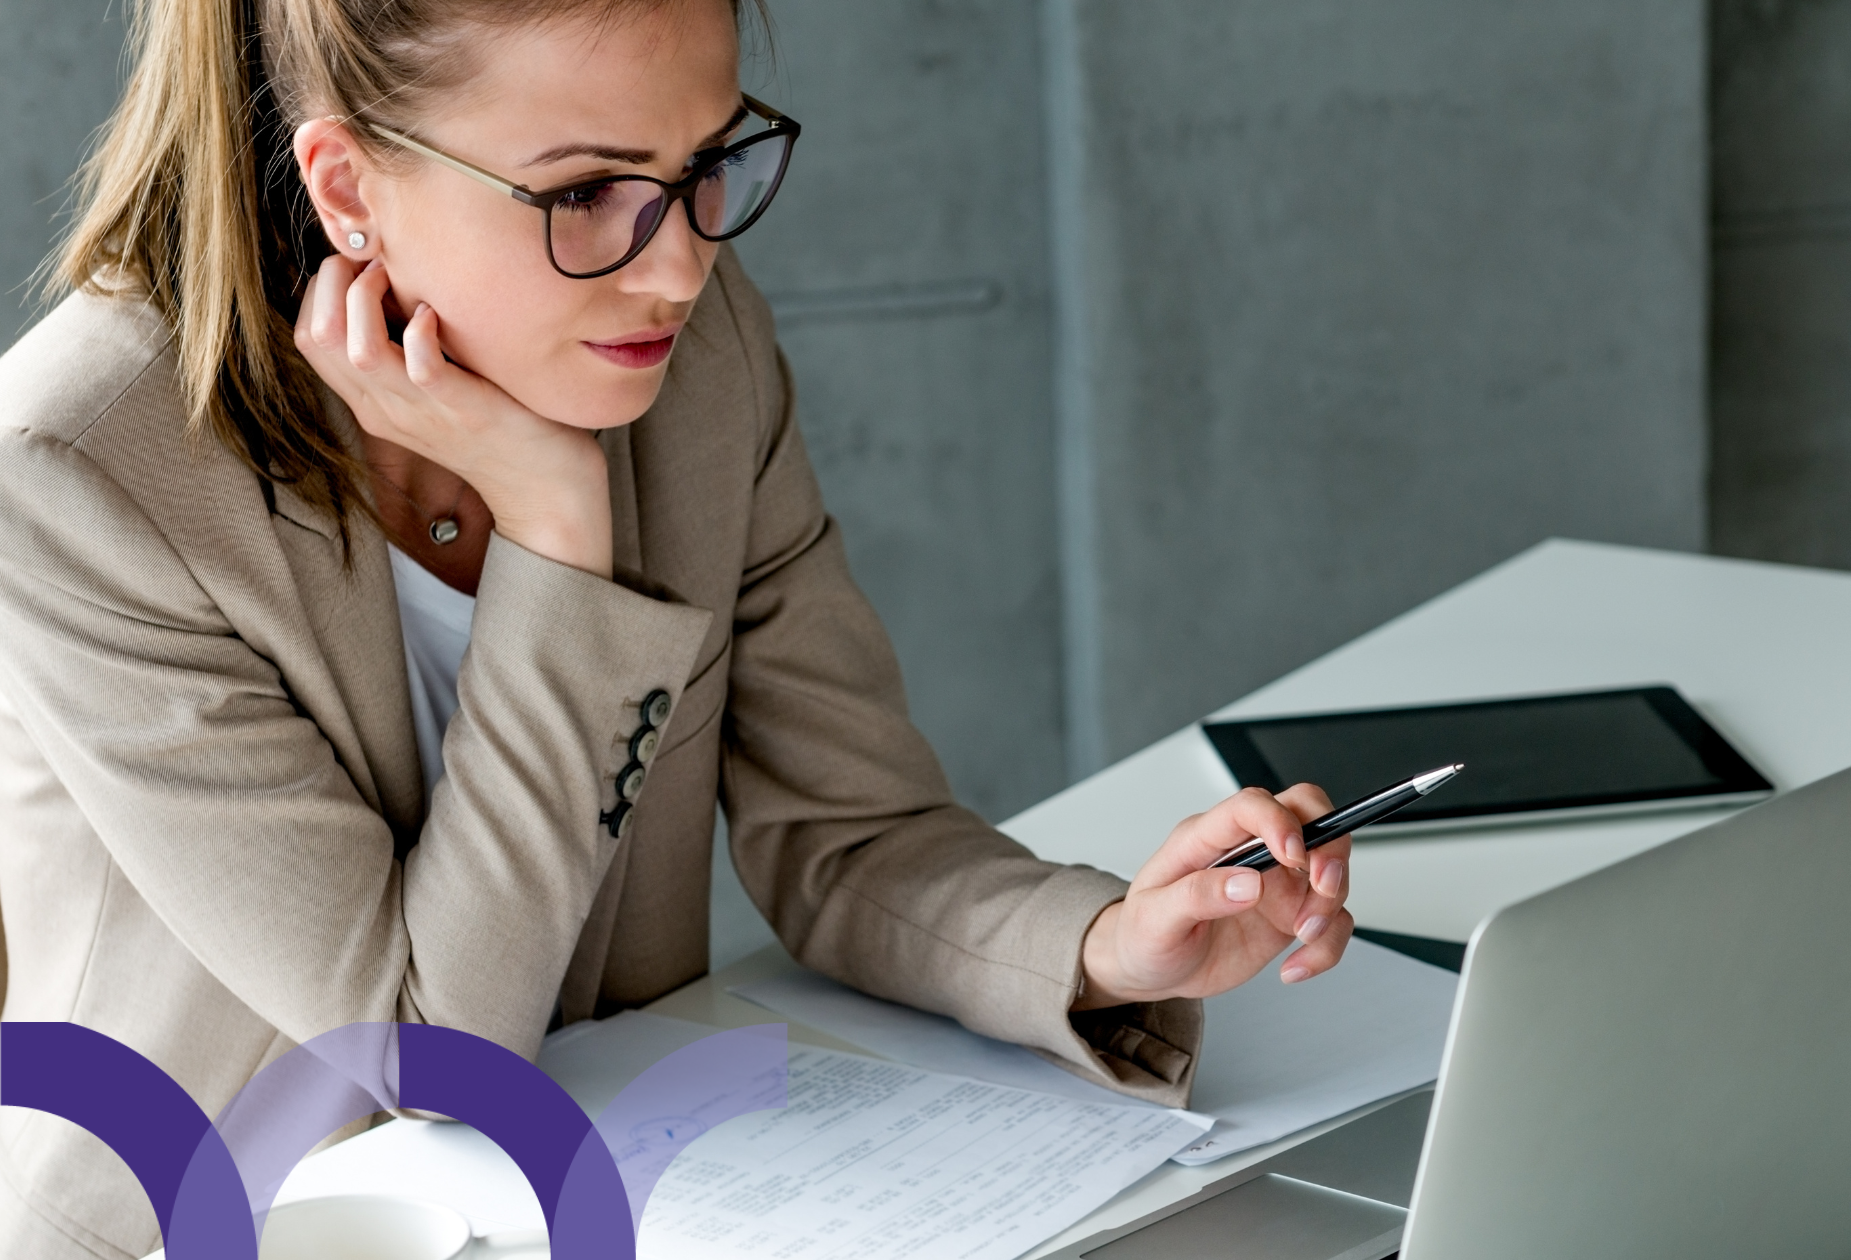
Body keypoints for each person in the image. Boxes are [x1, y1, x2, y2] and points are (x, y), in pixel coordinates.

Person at [0, 0, 1358, 1255]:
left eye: (708, 162)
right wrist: (552, 525)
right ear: (350, 186)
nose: (684, 267)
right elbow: (426, 1053)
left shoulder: (698, 371)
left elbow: (852, 829)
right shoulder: (78, 474)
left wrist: (1107, 945)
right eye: (587, 193)